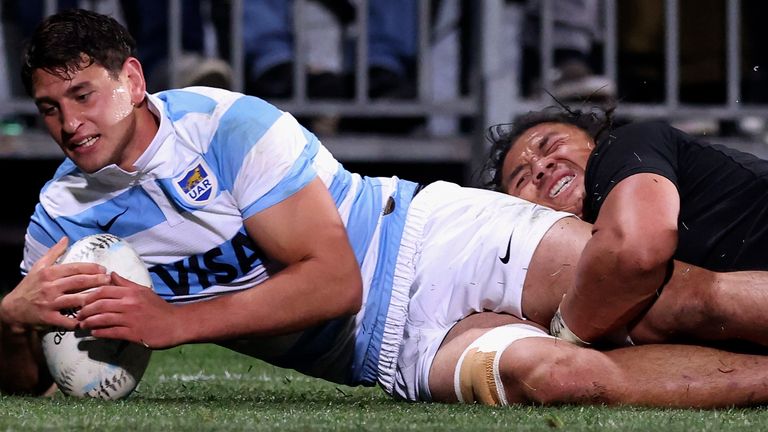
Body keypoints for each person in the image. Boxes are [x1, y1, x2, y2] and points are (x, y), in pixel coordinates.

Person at [7, 9, 768, 408]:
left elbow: (334, 282)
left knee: (681, 304)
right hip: (391, 356)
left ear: (132, 80)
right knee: (565, 381)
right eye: (48, 108)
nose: (70, 123)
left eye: (84, 95)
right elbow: (30, 384)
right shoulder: (62, 216)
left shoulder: (225, 124)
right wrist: (14, 318)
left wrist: (171, 324)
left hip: (433, 239)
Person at [487, 104, 768, 348]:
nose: (540, 168)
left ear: (592, 140)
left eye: (551, 146)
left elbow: (636, 251)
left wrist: (563, 336)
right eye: (521, 179)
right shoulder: (576, 268)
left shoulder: (623, 145)